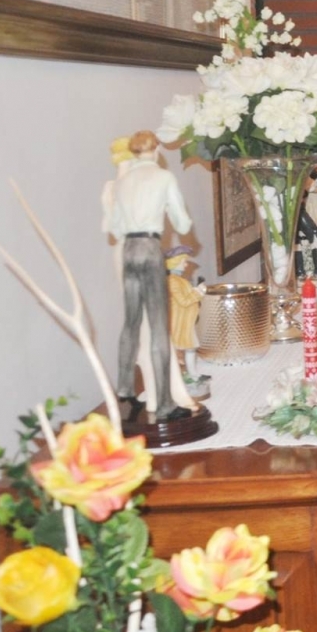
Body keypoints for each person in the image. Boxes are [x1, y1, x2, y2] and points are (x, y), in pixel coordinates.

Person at [103, 130, 193, 420]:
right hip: (150, 248)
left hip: (129, 248)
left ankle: (125, 388)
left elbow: (115, 228)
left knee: (130, 321)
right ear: (156, 150)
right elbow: (182, 222)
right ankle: (165, 403)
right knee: (157, 326)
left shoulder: (123, 181)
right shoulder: (163, 178)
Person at [165, 247, 209, 401]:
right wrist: (198, 292)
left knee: (190, 347)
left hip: (187, 321)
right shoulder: (172, 281)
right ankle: (185, 376)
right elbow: (183, 301)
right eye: (183, 262)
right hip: (180, 322)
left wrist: (197, 290)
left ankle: (192, 374)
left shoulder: (179, 280)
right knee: (186, 348)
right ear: (175, 263)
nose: (185, 265)